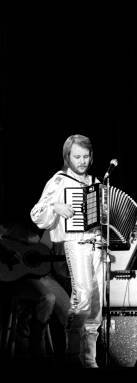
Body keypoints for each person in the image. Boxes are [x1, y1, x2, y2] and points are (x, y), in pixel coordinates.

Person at [30, 134, 104, 367]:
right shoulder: (59, 181)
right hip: (75, 243)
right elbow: (36, 213)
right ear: (67, 157)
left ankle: (90, 360)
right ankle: (73, 357)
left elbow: (103, 216)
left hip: (96, 244)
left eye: (86, 156)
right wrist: (55, 206)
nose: (82, 161)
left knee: (96, 302)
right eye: (77, 156)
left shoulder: (95, 181)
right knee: (81, 297)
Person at [0, 221, 69, 361]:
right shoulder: (16, 225)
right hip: (18, 277)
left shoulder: (58, 230)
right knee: (48, 298)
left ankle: (70, 358)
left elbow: (59, 268)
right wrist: (7, 252)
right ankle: (36, 343)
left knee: (70, 313)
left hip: (44, 276)